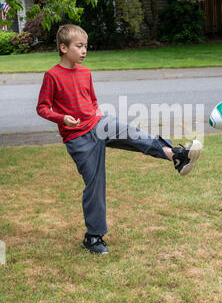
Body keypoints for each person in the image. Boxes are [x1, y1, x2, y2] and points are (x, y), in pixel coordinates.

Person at [36, 24, 202, 255]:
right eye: (79, 46)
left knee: (132, 133)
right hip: (78, 137)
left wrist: (96, 112)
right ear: (63, 48)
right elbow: (42, 107)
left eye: (86, 46)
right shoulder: (52, 76)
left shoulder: (85, 72)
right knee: (95, 184)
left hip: (97, 123)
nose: (84, 51)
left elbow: (92, 99)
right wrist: (62, 118)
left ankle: (176, 155)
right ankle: (93, 238)